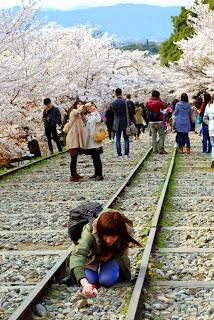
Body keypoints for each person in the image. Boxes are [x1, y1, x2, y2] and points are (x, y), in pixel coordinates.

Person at [69, 210, 141, 296]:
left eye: (113, 237)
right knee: (90, 280)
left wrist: (110, 255)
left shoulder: (125, 231)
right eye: (105, 236)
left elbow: (122, 251)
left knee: (106, 280)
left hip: (112, 257)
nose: (108, 240)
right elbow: (78, 254)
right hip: (91, 257)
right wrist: (85, 284)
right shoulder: (90, 230)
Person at [63, 101, 87, 182]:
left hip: (75, 138)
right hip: (72, 138)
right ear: (75, 105)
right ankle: (72, 176)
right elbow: (78, 111)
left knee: (75, 157)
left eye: (81, 104)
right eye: (78, 104)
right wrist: (84, 105)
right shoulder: (73, 112)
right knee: (73, 158)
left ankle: (75, 174)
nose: (80, 106)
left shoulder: (79, 115)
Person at [112, 88, 135, 160]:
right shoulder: (125, 102)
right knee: (126, 139)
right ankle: (126, 154)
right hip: (125, 122)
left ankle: (119, 155)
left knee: (118, 139)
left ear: (115, 94)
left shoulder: (113, 103)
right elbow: (130, 112)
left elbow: (113, 112)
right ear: (121, 93)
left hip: (117, 122)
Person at [84, 102, 104, 181]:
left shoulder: (96, 114)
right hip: (90, 140)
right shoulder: (88, 116)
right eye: (88, 108)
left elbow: (99, 121)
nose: (90, 108)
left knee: (97, 158)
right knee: (94, 158)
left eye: (91, 106)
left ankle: (100, 174)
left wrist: (95, 111)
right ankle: (96, 173)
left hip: (95, 139)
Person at [203, 95, 214, 168]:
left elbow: (204, 118)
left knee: (213, 144)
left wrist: (210, 123)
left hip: (212, 127)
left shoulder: (208, 105)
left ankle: (213, 160)